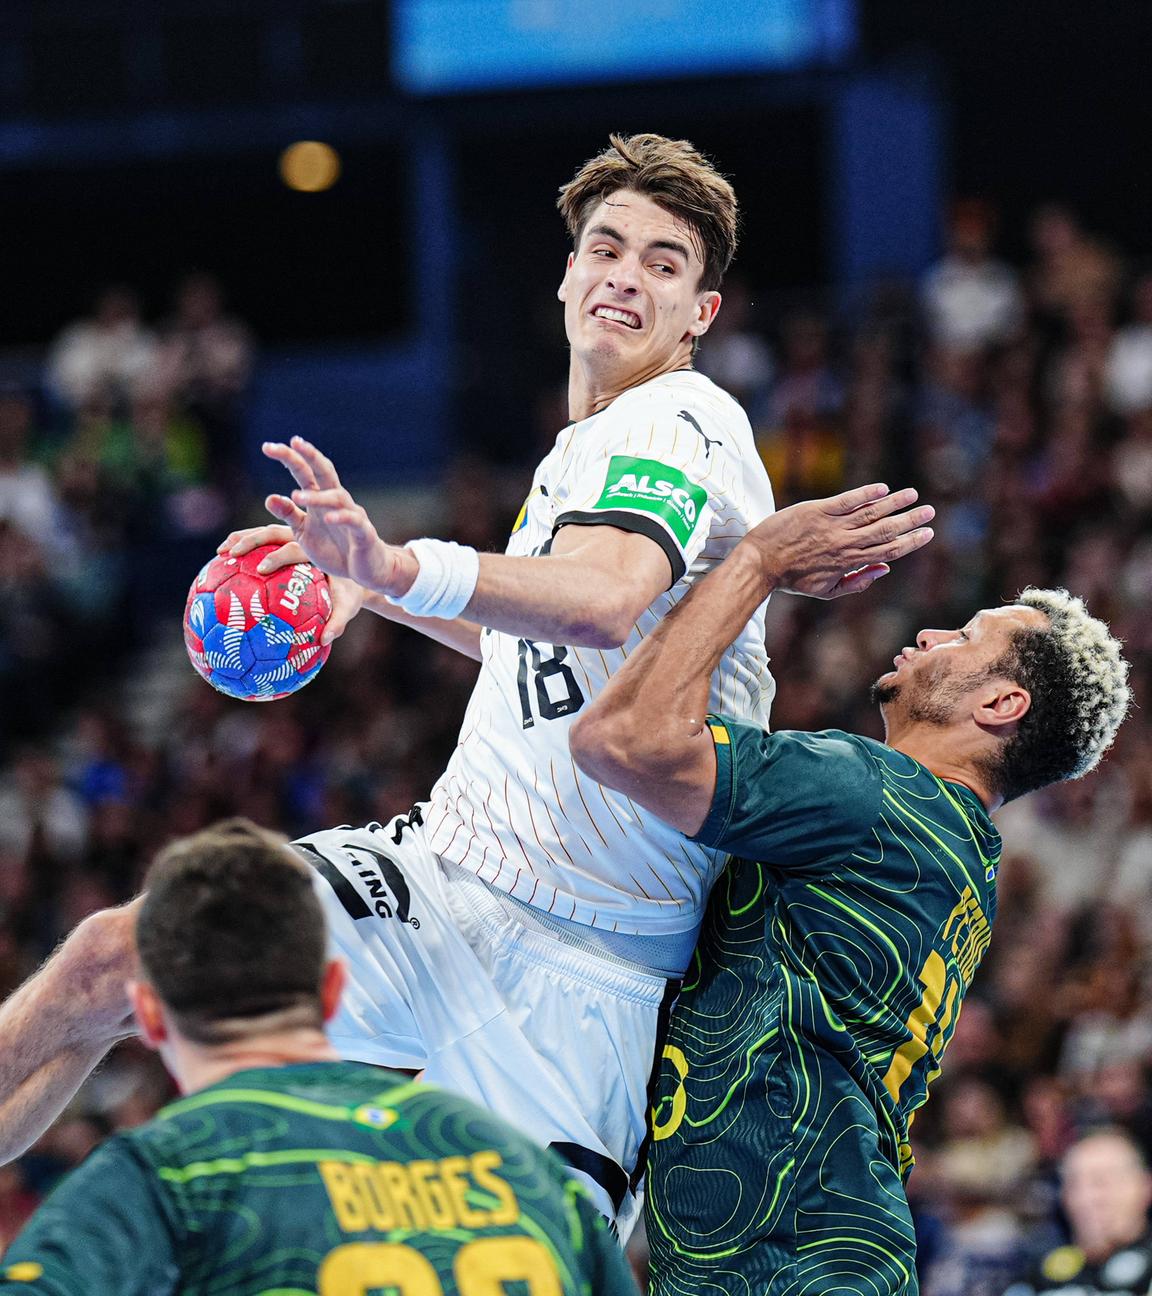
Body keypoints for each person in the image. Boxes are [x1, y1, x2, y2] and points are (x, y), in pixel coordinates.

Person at [0, 134, 930, 1229]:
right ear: (568, 276)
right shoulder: (581, 448)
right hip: (441, 877)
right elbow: (557, 657)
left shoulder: (682, 421)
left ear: (702, 316)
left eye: (665, 263)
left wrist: (396, 562)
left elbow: (604, 597)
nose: (627, 275)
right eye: (607, 248)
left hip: (583, 968)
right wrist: (365, 590)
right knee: (115, 958)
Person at [568, 489, 1130, 1292]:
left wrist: (759, 559)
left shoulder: (872, 790)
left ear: (1001, 704)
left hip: (788, 1260)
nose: (931, 635)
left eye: (965, 637)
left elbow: (618, 739)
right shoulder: (968, 863)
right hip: (812, 1250)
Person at [0, 819, 638, 1295]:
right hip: (501, 864)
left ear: (151, 1018)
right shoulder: (520, 1171)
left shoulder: (163, 1170)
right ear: (333, 989)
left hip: (580, 927)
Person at [1001, 1128, 1152, 1296]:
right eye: (1073, 1184)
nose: (1084, 1198)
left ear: (1144, 1186)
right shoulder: (1039, 1267)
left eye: (1101, 1182)